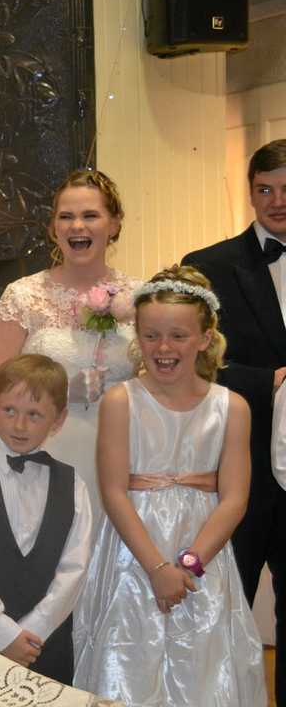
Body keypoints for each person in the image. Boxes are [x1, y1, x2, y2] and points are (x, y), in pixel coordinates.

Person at [74, 267, 266, 705]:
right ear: (137, 337)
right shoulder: (122, 401)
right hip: (135, 555)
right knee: (130, 659)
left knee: (203, 663)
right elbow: (114, 490)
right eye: (151, 335)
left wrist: (189, 565)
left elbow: (234, 498)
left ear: (204, 337)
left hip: (203, 554)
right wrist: (159, 569)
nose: (163, 348)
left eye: (178, 336)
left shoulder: (231, 408)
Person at [0, 170, 140, 529]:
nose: (76, 226)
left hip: (123, 452)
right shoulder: (24, 295)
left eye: (90, 216)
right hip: (44, 445)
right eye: (65, 217)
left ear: (114, 224)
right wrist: (61, 391)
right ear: (53, 228)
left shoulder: (139, 298)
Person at [182, 138, 286, 697]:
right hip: (236, 469)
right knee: (224, 605)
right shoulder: (209, 266)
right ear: (249, 193)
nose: (276, 200)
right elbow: (182, 359)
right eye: (264, 189)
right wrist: (264, 380)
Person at [0, 354, 91, 683]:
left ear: (59, 419)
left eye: (35, 415)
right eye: (9, 410)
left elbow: (75, 569)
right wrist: (3, 632)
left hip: (44, 644)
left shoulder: (73, 484)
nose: (19, 425)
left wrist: (33, 632)